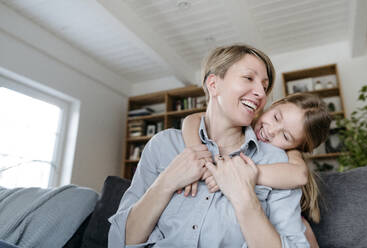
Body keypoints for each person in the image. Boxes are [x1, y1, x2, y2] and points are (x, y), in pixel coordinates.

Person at [108, 44, 320, 247]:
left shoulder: (276, 161)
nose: (261, 93)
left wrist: (244, 197)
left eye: (264, 87)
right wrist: (167, 181)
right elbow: (119, 242)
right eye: (248, 78)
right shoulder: (163, 144)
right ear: (213, 84)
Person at [181, 92, 331, 248]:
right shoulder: (244, 117)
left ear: (298, 147)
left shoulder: (287, 156)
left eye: (285, 136)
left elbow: (300, 176)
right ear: (274, 105)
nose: (272, 130)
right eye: (276, 117)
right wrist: (198, 158)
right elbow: (193, 119)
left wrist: (237, 174)